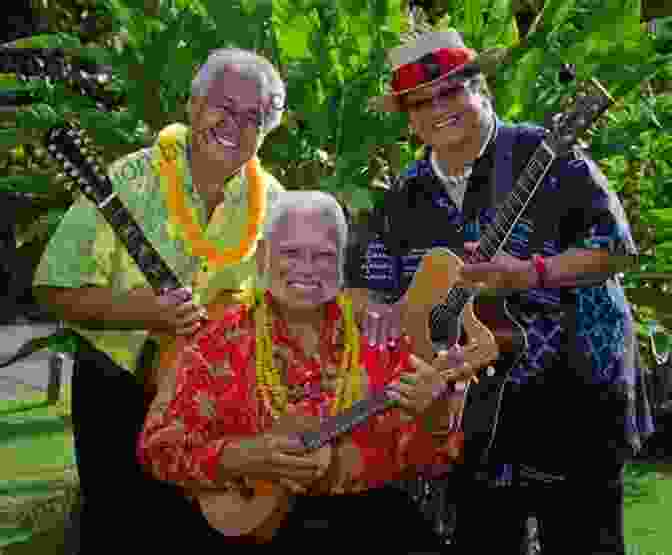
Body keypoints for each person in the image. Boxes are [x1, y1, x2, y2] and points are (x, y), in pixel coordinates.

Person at [357, 30, 653, 554]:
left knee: (584, 542)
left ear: (482, 89)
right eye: (422, 102)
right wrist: (385, 309)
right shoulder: (407, 192)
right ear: (408, 117)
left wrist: (531, 272)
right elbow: (380, 277)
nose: (439, 109)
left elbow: (617, 247)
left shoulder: (548, 154)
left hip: (574, 386)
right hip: (477, 407)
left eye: (452, 91)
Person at [32, 48, 286, 552]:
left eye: (252, 116)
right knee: (121, 531)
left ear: (266, 129)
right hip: (120, 388)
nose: (234, 123)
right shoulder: (127, 181)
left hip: (218, 401)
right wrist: (143, 312)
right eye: (222, 106)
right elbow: (53, 286)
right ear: (192, 106)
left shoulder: (275, 203)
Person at [137, 190, 465, 551]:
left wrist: (435, 407)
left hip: (367, 522)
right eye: (291, 252)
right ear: (263, 256)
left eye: (323, 256)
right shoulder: (218, 342)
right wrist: (246, 456)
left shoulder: (380, 337)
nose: (306, 268)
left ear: (341, 265)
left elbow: (429, 461)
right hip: (256, 531)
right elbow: (158, 447)